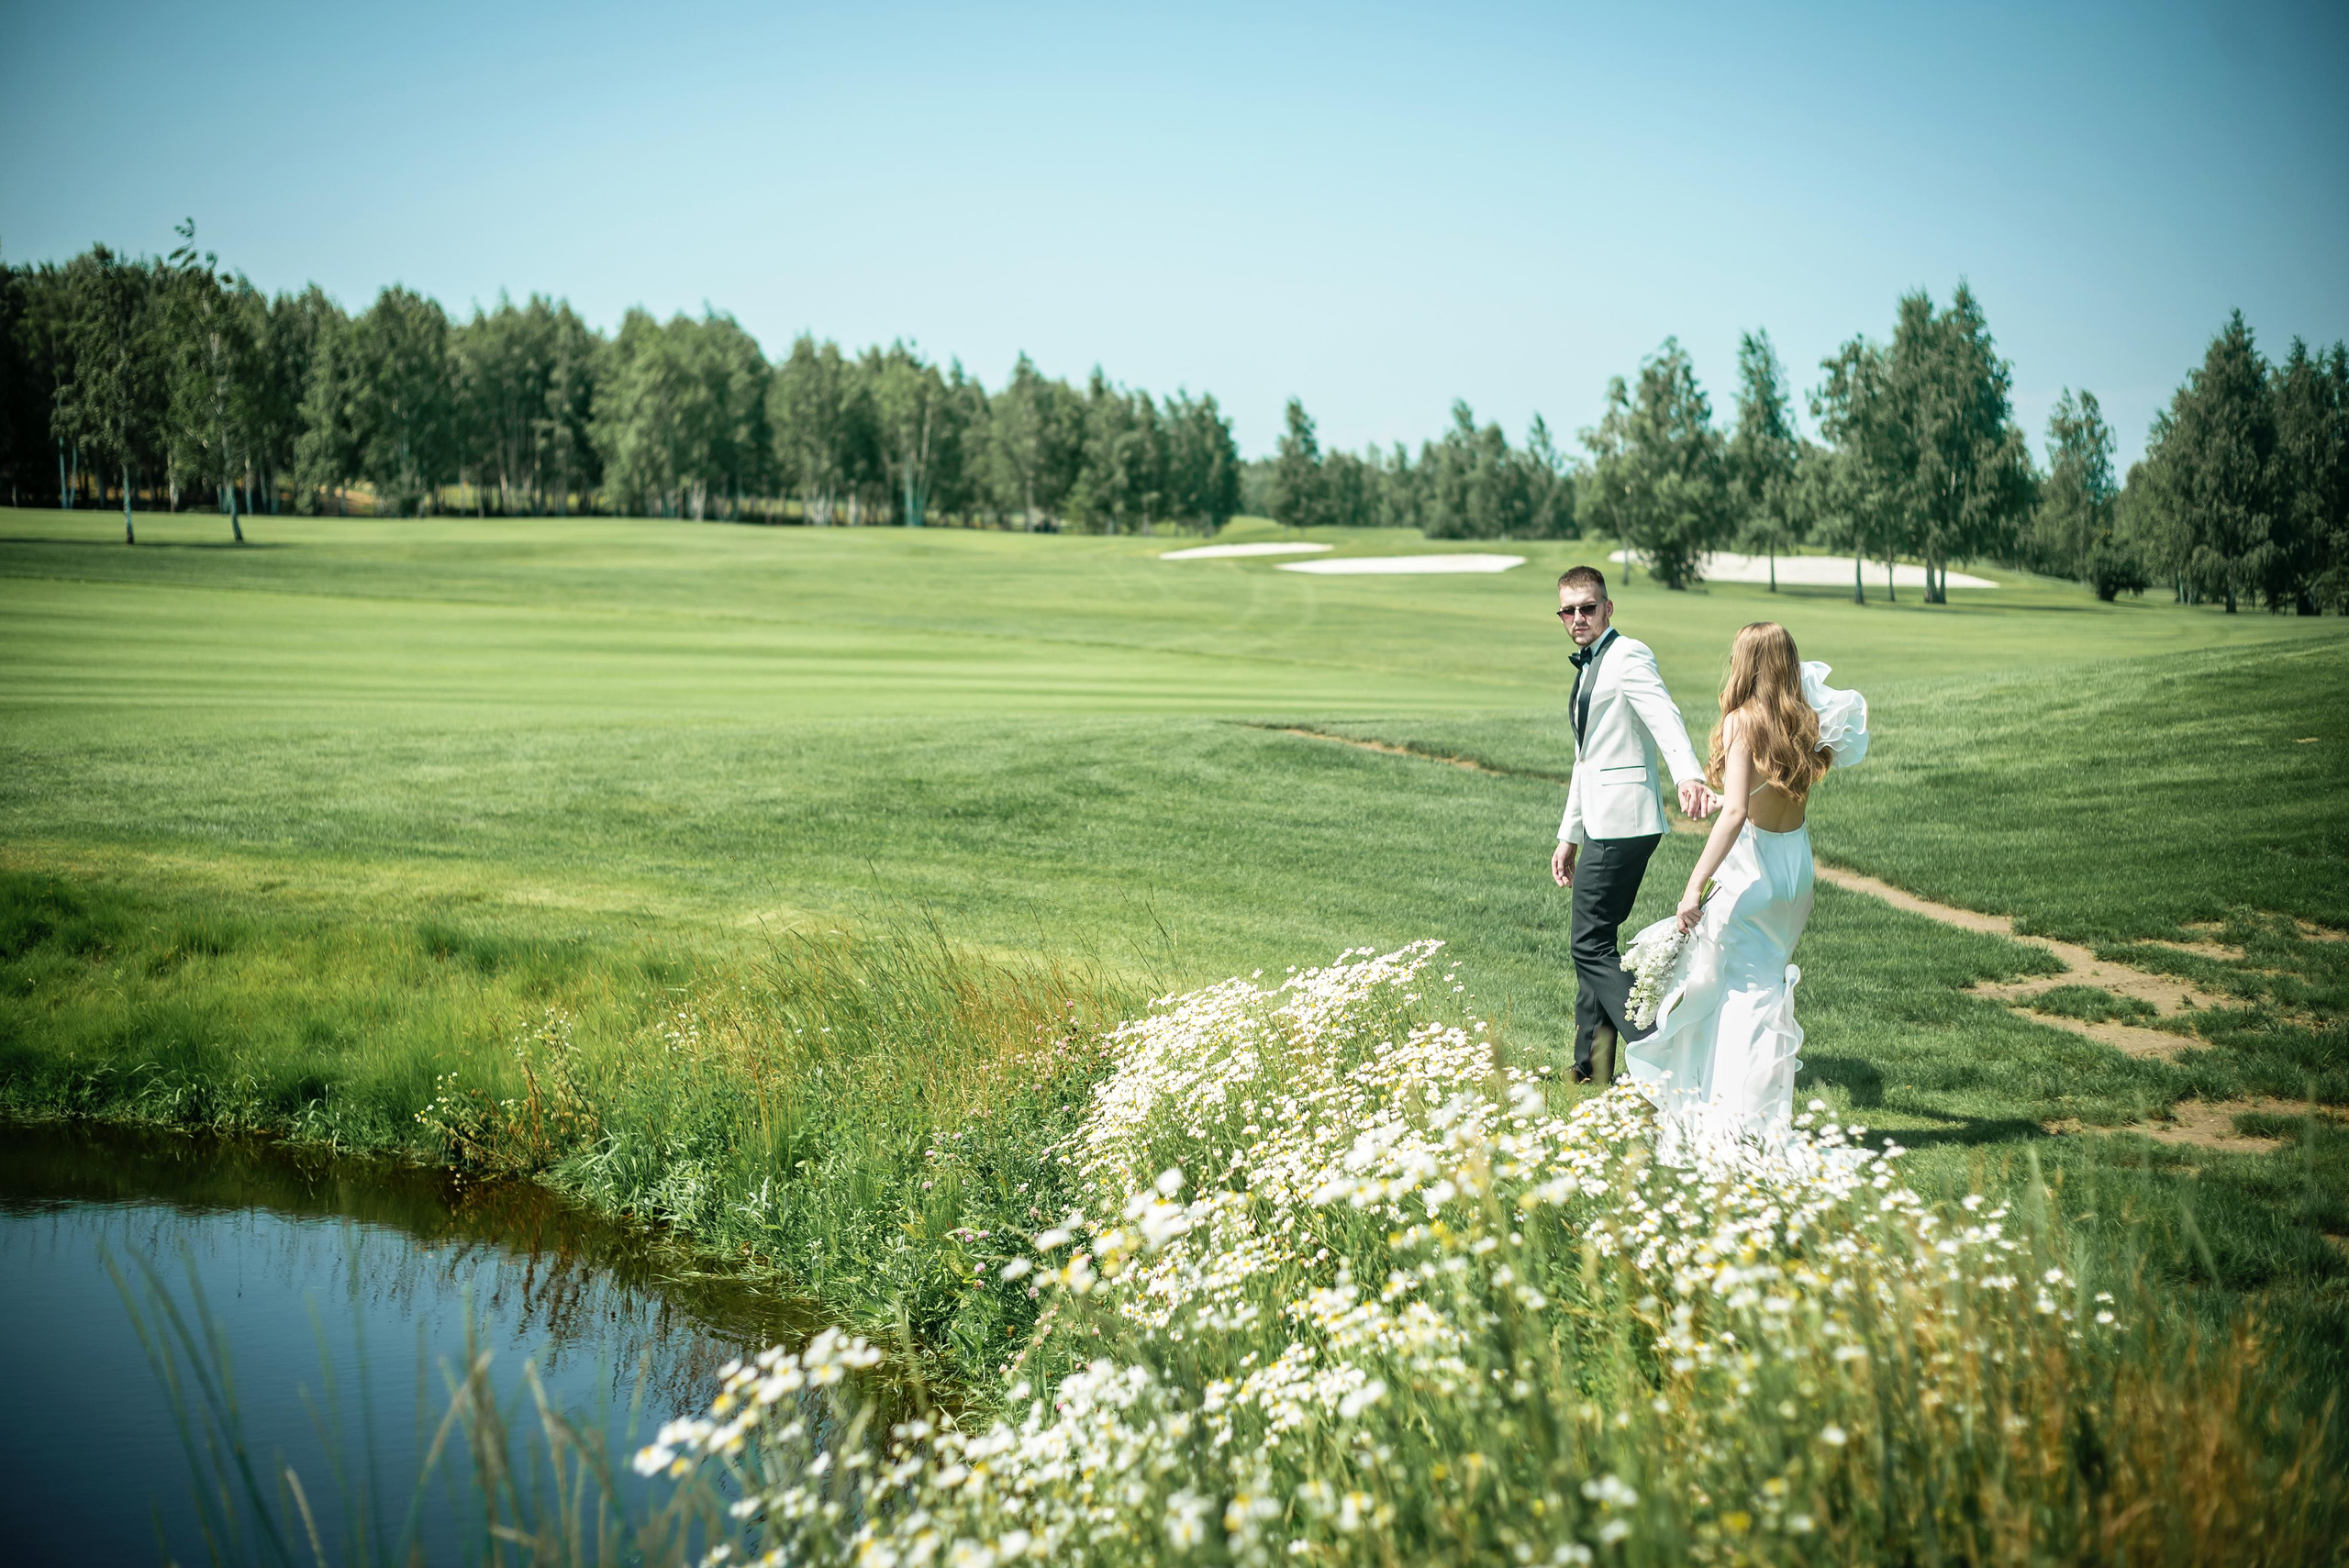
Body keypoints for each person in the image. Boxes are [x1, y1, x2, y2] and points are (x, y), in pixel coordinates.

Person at [1622, 621, 1869, 1157]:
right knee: (1766, 991)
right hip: (1794, 869)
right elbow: (1760, 800)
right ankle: (1759, 1117)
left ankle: (1731, 1126)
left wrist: (1693, 886)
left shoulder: (1741, 722)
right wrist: (1728, 806)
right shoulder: (1807, 721)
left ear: (1747, 663)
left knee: (1734, 994)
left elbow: (1736, 813)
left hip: (1749, 873)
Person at [1549, 565, 1718, 1084]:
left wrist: (1689, 774)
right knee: (1594, 938)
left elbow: (1665, 716)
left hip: (1625, 822)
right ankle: (1592, 1068)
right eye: (1569, 610)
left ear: (1608, 609)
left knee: (1589, 944)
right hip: (1600, 820)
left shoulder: (1628, 655)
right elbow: (1586, 759)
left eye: (1589, 607)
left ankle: (1657, 1051)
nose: (1579, 617)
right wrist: (1568, 835)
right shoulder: (1587, 668)